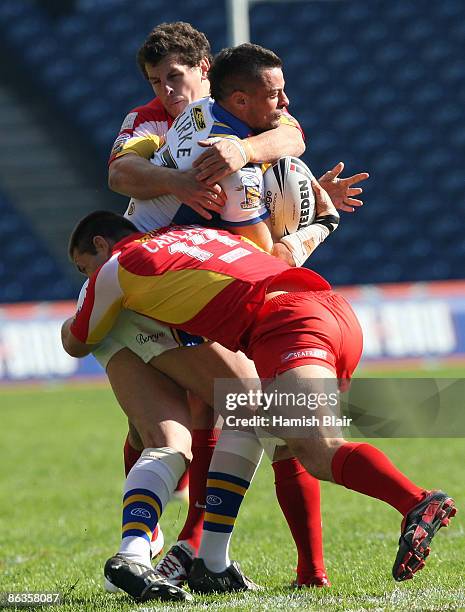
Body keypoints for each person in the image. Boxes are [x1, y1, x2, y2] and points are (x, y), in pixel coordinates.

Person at [96, 25, 368, 596]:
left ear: (206, 70)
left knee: (192, 425)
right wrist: (190, 183)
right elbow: (122, 173)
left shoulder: (238, 125)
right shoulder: (155, 122)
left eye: (176, 76)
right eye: (155, 80)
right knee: (246, 410)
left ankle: (170, 551)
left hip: (181, 286)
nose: (166, 90)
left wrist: (251, 161)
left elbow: (291, 136)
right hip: (172, 286)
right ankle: (194, 553)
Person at [62, 207, 456, 597]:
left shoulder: (117, 267)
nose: (88, 275)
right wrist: (319, 221)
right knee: (260, 419)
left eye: (85, 267)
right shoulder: (205, 236)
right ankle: (263, 567)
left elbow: (77, 341)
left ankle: (417, 501)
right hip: (334, 312)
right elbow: (274, 251)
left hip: (285, 327)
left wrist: (70, 320)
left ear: (101, 244)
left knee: (317, 449)